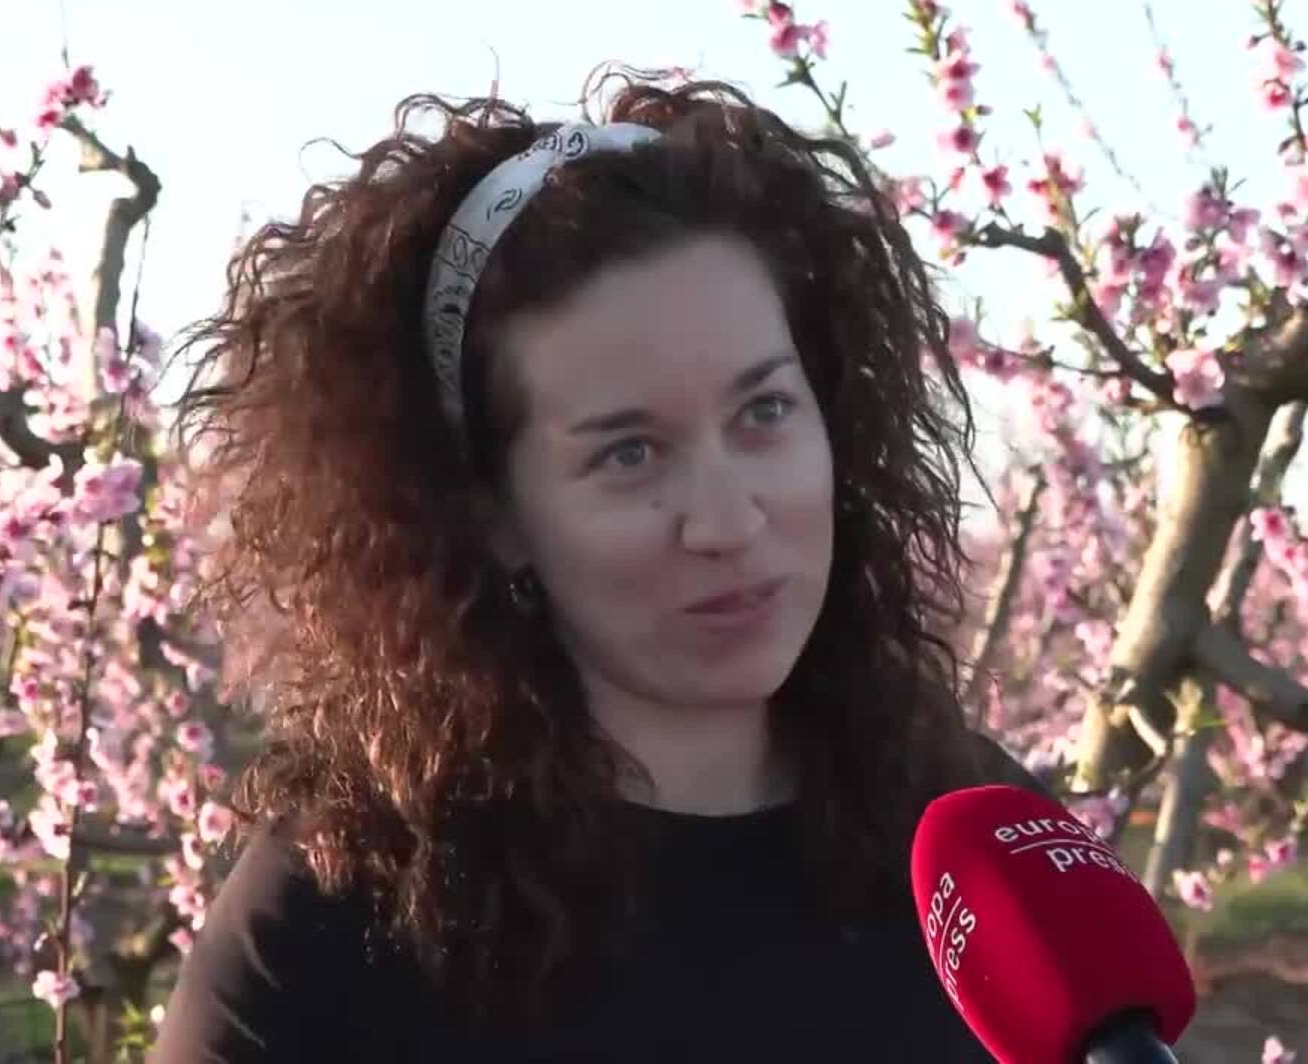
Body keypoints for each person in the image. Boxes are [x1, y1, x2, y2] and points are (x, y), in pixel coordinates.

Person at [151, 68, 1047, 1062]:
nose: (728, 520)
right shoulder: (334, 927)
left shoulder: (996, 855)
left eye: (764, 411)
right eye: (630, 454)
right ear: (492, 515)